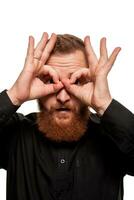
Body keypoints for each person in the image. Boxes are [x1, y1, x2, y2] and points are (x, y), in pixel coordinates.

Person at [0, 32, 134, 200]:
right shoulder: (15, 133)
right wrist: (15, 95)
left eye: (76, 81)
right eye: (50, 81)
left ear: (90, 82)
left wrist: (104, 104)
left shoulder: (113, 136)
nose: (63, 97)